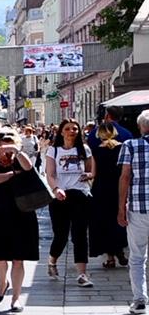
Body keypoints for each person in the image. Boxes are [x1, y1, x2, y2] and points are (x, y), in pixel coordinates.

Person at [0, 128, 39, 312]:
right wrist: (11, 175)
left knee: (18, 259)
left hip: (22, 213)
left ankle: (16, 298)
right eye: (2, 145)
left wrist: (17, 152)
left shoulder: (21, 160)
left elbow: (29, 168)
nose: (6, 148)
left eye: (10, 144)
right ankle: (2, 283)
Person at [44, 118, 96, 288]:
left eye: (75, 129)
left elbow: (91, 170)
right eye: (67, 128)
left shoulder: (84, 149)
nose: (72, 131)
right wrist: (56, 189)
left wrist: (88, 175)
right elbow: (49, 173)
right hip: (60, 196)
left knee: (80, 235)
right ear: (61, 132)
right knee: (61, 235)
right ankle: (52, 261)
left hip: (80, 194)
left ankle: (82, 274)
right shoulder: (54, 150)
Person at [117, 110, 149, 313]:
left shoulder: (130, 145)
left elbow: (125, 177)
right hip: (139, 207)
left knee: (137, 257)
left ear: (140, 127)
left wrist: (121, 207)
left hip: (139, 208)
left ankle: (140, 300)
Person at [90, 122, 129, 269]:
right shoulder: (123, 148)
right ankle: (120, 250)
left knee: (104, 222)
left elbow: (93, 173)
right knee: (119, 218)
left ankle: (110, 258)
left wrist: (85, 176)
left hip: (100, 189)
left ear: (99, 134)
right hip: (118, 187)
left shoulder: (96, 150)